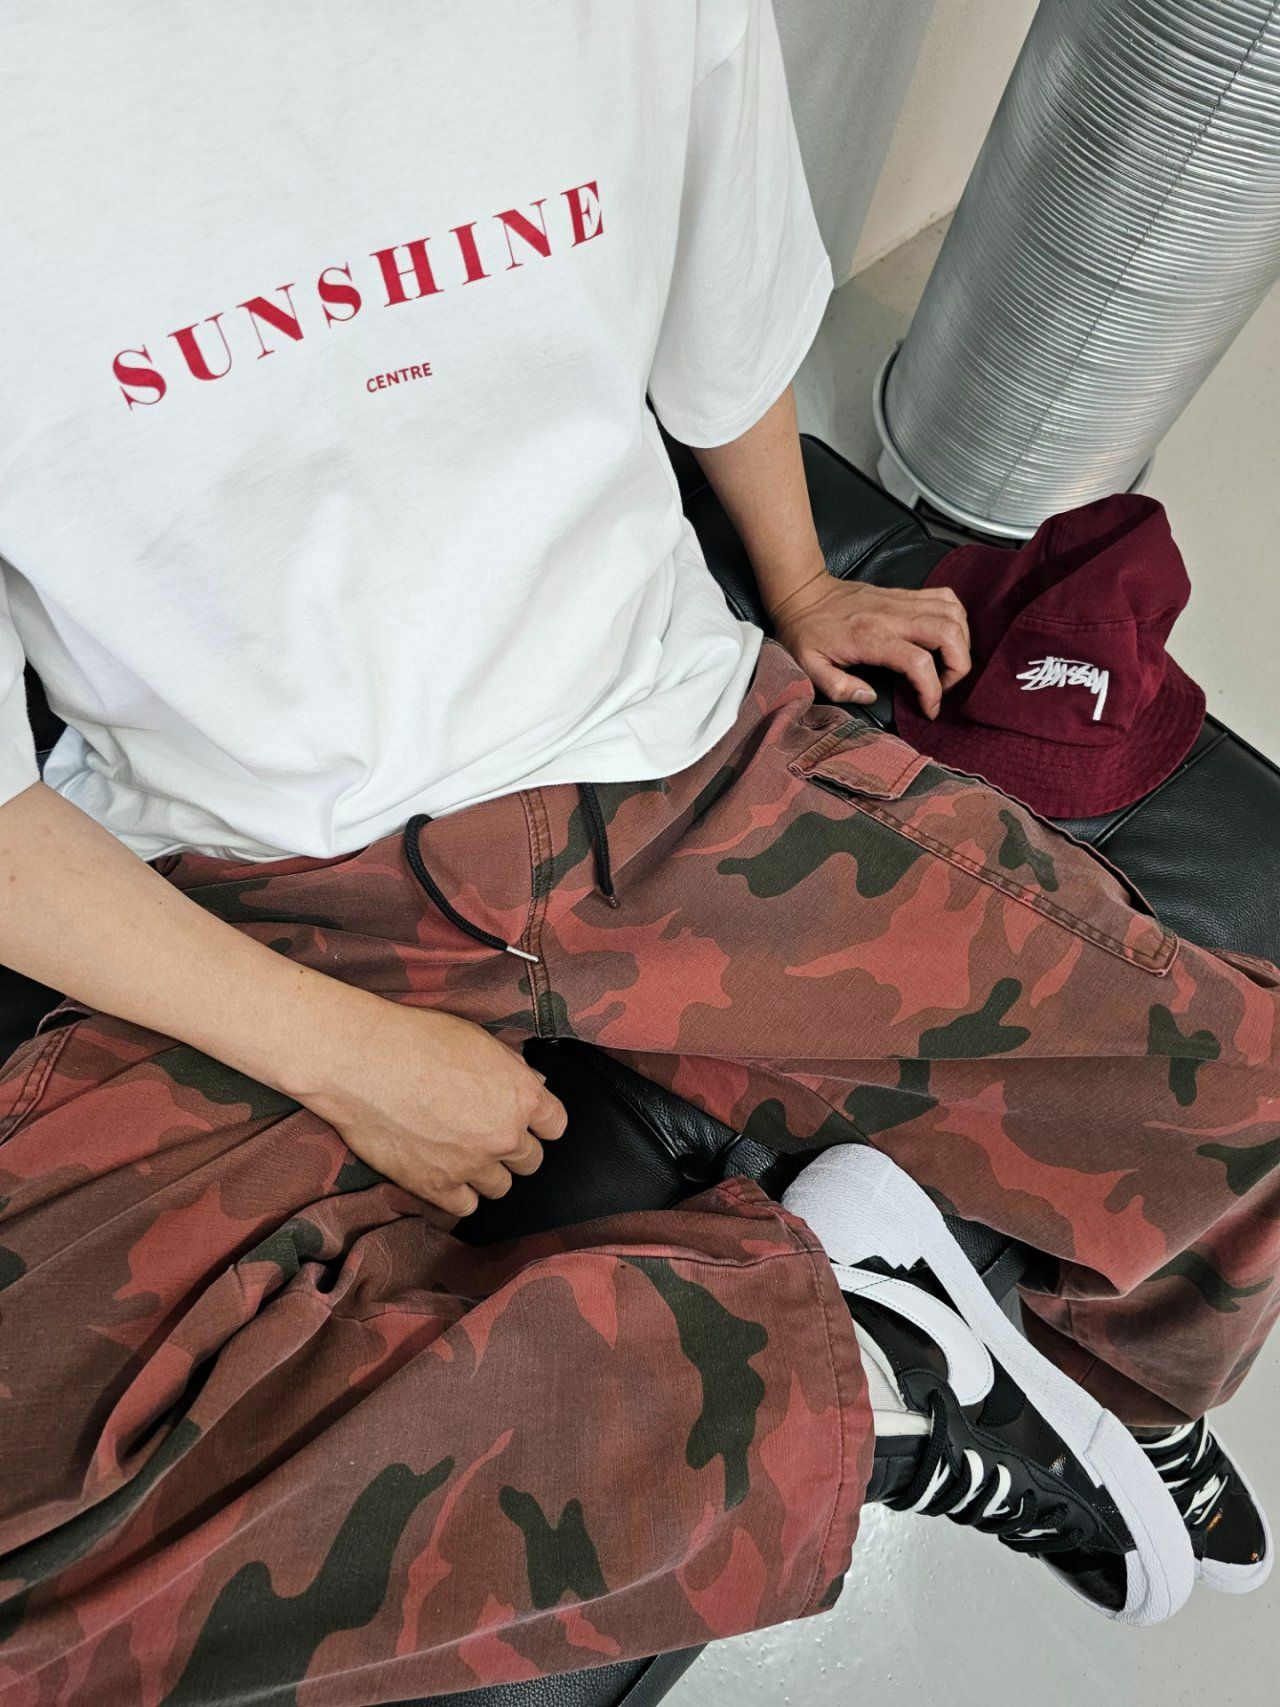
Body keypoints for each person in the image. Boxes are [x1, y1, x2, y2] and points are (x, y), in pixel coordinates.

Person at [0, 2, 1274, 1700]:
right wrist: (356, 1063)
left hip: (666, 756)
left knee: (1244, 1100)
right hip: (252, 893)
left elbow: (720, 322)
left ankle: (1100, 1394)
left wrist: (801, 584)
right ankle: (876, 1381)